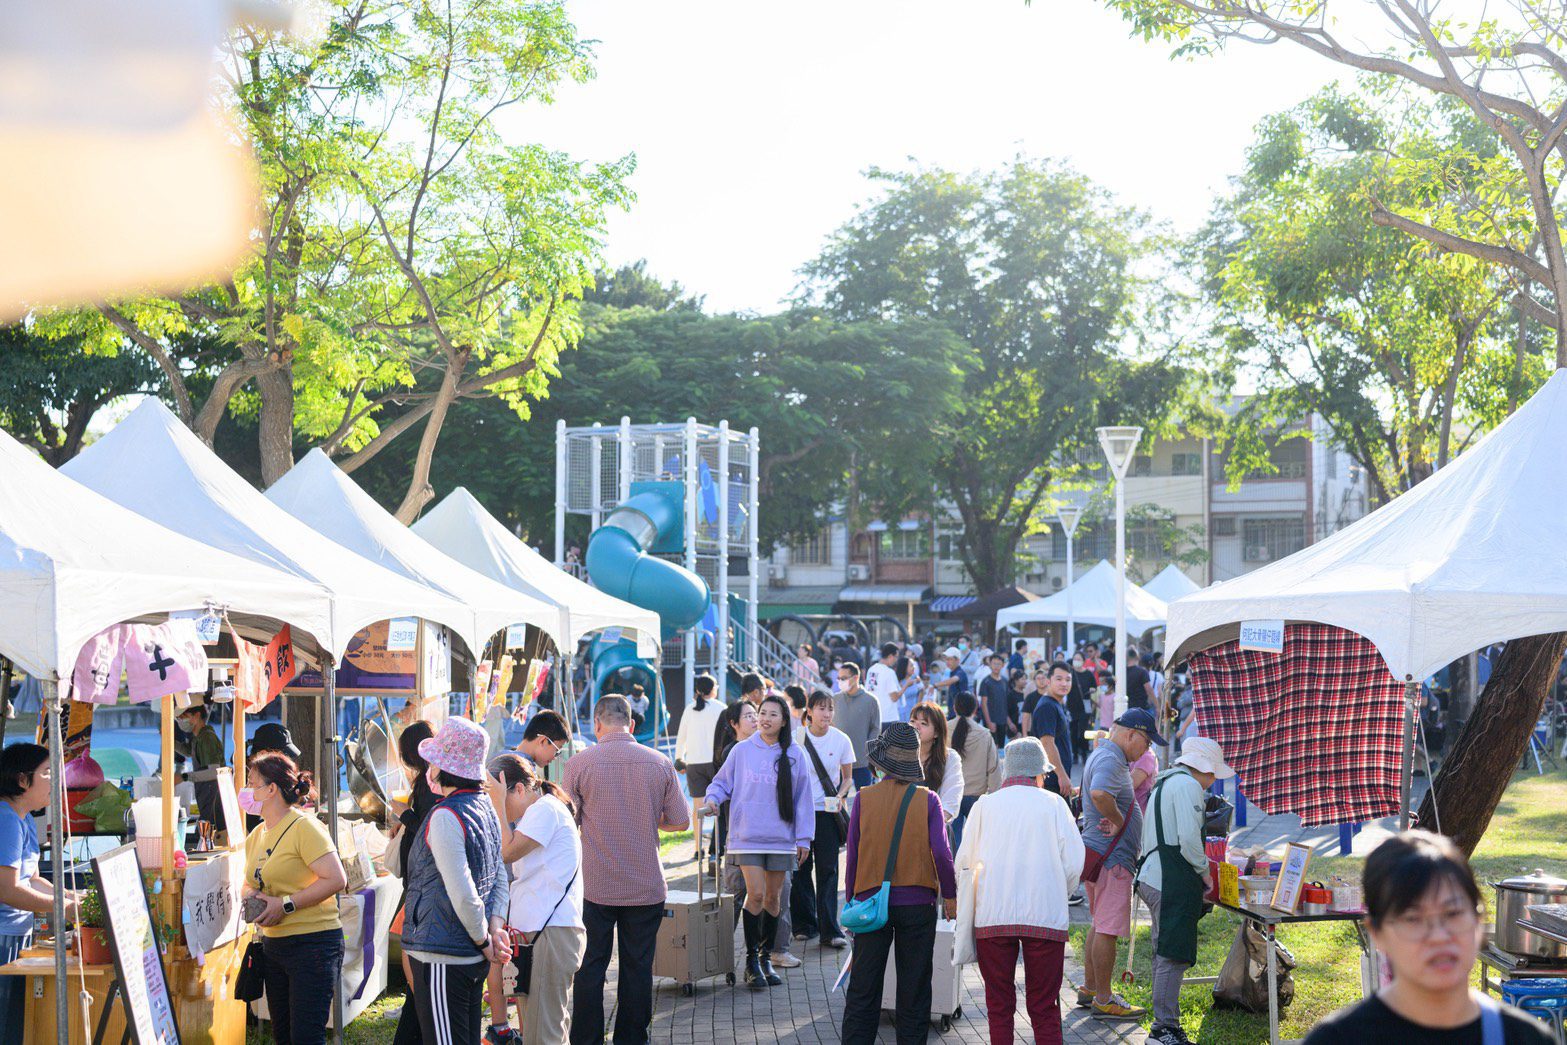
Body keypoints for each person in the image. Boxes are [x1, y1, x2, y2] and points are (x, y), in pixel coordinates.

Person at [1305, 831, 1554, 1045]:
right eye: (1413, 918)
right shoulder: (1338, 1040)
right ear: (1377, 933)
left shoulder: (1524, 1038)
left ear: (1478, 920)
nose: (1438, 936)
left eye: (1453, 913)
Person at [564, 695, 689, 1044]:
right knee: (637, 969)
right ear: (632, 724)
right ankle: (632, 1039)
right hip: (645, 884)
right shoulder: (660, 762)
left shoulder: (578, 763)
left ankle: (586, 1039)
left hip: (594, 886)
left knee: (589, 967)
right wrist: (649, 817)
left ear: (596, 723)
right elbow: (680, 822)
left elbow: (565, 821)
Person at [955, 738, 1085, 1045]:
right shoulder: (1054, 804)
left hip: (992, 915)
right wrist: (1057, 890)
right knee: (1044, 1007)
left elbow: (964, 862)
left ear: (1007, 772)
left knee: (999, 1005)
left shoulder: (984, 806)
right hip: (1044, 915)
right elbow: (1073, 864)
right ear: (1040, 774)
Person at [840, 724, 957, 1044]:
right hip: (917, 904)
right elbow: (942, 854)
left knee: (863, 989)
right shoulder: (929, 800)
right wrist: (950, 896)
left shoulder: (863, 798)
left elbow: (853, 857)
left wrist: (852, 899)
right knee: (915, 989)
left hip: (870, 902)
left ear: (881, 763)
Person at [399, 717, 511, 1045]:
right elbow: (497, 875)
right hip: (468, 952)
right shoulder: (485, 808)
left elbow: (463, 891)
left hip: (443, 954)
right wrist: (494, 926)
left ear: (441, 766)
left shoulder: (446, 815)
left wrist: (485, 939)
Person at [699, 694, 813, 988]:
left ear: (784, 721)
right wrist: (712, 800)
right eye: (762, 713)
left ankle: (765, 958)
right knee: (757, 894)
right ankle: (751, 960)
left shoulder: (795, 754)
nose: (765, 718)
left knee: (775, 898)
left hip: (781, 838)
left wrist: (804, 838)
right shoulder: (741, 750)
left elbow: (803, 798)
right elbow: (722, 783)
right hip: (746, 836)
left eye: (773, 714)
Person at [241, 753, 348, 1045]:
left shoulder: (305, 827)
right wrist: (253, 896)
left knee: (306, 1037)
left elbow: (336, 879)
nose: (248, 791)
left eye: (252, 784)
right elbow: (247, 883)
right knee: (283, 1035)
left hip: (313, 944)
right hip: (274, 946)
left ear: (271, 789)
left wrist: (285, 904)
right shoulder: (257, 834)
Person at [1133, 736, 1232, 1045]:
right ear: (1202, 768)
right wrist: (1207, 876)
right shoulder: (1188, 786)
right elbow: (1190, 842)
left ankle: (1167, 1024)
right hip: (1169, 881)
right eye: (1213, 771)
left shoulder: (1163, 783)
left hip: (1152, 875)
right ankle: (1163, 1029)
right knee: (1171, 955)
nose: (1214, 779)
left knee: (1165, 952)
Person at [484, 754, 585, 1045]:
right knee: (540, 1032)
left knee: (545, 1036)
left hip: (550, 936)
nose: (499, 809)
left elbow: (506, 851)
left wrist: (497, 805)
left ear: (518, 789)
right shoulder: (540, 811)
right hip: (541, 936)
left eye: (502, 799)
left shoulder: (545, 809)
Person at [1078, 709, 1164, 1021]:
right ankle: (1103, 998)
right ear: (1131, 734)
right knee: (1108, 929)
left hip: (1102, 857)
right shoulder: (1112, 759)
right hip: (1112, 861)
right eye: (1147, 742)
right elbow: (1099, 793)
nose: (1148, 750)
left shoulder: (1105, 754)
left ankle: (1090, 989)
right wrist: (1117, 821)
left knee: (1100, 924)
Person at [0, 744, 77, 1040]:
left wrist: (70, 897)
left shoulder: (26, 817)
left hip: (19, 935)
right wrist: (64, 909)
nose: (55, 782)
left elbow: (31, 879)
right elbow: (8, 889)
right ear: (22, 780)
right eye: (47, 773)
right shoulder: (6, 819)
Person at [387, 721, 440, 1045]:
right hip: (420, 880)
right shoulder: (431, 778)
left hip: (422, 881)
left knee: (413, 955)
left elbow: (428, 827)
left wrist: (405, 814)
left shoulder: (429, 782)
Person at [789, 691, 854, 949]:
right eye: (821, 708)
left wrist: (840, 794)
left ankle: (830, 930)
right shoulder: (797, 738)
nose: (826, 714)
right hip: (800, 813)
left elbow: (847, 776)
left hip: (828, 813)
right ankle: (805, 925)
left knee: (828, 870)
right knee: (800, 869)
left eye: (830, 709)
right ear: (809, 710)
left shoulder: (841, 740)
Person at [946, 693, 1000, 850]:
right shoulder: (984, 734)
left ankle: (952, 873)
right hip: (977, 795)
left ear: (954, 707)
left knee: (951, 842)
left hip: (950, 795)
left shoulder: (944, 730)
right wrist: (995, 796)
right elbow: (994, 768)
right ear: (975, 709)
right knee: (977, 844)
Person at [674, 674, 723, 846]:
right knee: (718, 805)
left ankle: (697, 847)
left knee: (698, 807)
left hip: (694, 764)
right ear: (713, 689)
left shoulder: (689, 709)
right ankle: (716, 847)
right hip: (716, 763)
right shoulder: (721, 708)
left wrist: (679, 759)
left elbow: (682, 737)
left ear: (697, 690)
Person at [1022, 663, 1078, 801]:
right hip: (1051, 781)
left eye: (1068, 679)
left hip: (1056, 781)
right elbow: (1047, 743)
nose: (1064, 683)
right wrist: (1062, 775)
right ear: (1049, 681)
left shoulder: (1056, 703)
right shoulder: (1047, 706)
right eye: (1059, 679)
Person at [909, 701, 964, 823]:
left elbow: (952, 798)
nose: (916, 727)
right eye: (912, 721)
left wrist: (934, 826)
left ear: (937, 732)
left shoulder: (950, 758)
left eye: (923, 723)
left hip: (933, 829)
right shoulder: (899, 754)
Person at [174, 698, 225, 829]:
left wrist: (184, 777)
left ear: (197, 715)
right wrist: (169, 741)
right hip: (205, 795)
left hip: (214, 797)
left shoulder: (207, 738)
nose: (181, 721)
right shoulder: (198, 736)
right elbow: (188, 751)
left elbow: (214, 772)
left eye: (184, 716)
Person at [833, 662, 882, 789]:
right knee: (837, 800)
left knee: (865, 799)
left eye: (843, 678)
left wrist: (868, 752)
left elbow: (875, 728)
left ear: (855, 678)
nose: (840, 681)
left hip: (862, 762)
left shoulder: (870, 700)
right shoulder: (835, 699)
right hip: (838, 761)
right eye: (838, 678)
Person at [975, 654, 1010, 745]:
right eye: (994, 663)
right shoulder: (986, 682)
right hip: (991, 721)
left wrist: (1008, 721)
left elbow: (1005, 703)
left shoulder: (1005, 681)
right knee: (991, 749)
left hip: (1002, 720)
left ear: (1002, 665)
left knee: (1002, 748)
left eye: (999, 664)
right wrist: (989, 722)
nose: (996, 666)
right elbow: (983, 704)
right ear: (990, 664)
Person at [866, 642, 903, 725]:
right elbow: (894, 697)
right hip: (888, 717)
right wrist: (906, 685)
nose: (896, 660)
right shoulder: (889, 672)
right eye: (896, 657)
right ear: (890, 656)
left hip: (873, 717)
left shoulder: (871, 669)